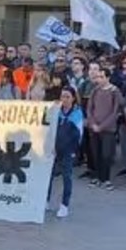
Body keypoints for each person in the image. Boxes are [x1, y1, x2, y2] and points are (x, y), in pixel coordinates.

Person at [46, 86, 83, 219]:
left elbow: (76, 136)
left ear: (73, 98)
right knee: (48, 176)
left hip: (68, 151)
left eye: (68, 97)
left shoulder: (77, 114)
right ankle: (46, 201)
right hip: (54, 150)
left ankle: (64, 205)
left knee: (66, 177)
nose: (65, 99)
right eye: (63, 96)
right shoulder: (56, 111)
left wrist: (69, 149)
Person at [86, 66, 122, 190]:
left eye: (102, 77)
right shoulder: (95, 90)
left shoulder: (114, 91)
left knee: (106, 154)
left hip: (108, 129)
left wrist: (101, 126)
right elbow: (90, 108)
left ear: (108, 77)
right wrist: (93, 123)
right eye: (98, 77)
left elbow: (115, 111)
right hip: (94, 127)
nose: (99, 80)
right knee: (95, 153)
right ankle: (96, 176)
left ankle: (105, 178)